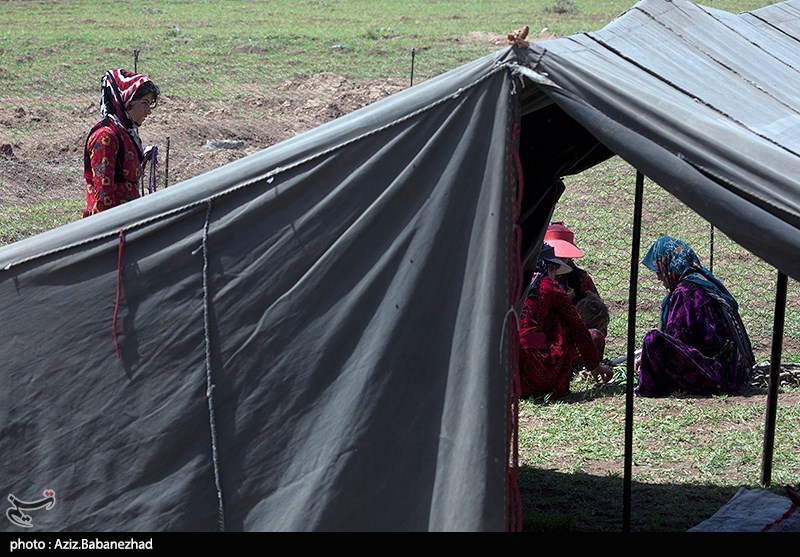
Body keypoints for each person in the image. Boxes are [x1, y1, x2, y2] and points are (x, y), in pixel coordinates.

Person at [634, 236, 755, 397]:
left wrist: (648, 359)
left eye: (659, 270)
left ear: (669, 265)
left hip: (715, 374)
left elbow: (678, 340)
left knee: (653, 339)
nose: (658, 277)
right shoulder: (703, 281)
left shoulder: (686, 292)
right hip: (731, 371)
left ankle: (650, 388)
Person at [518, 242, 613, 399]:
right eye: (554, 270)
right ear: (548, 268)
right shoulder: (548, 286)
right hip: (537, 372)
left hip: (508, 374)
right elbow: (578, 328)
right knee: (563, 322)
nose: (555, 276)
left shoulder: (514, 282)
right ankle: (557, 385)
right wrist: (594, 365)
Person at [83, 68, 160, 217]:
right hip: (113, 226)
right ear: (126, 101)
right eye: (144, 103)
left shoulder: (126, 134)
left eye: (150, 104)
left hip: (128, 221)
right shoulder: (106, 137)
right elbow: (102, 196)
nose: (148, 111)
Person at [545, 221, 608, 360]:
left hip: (574, 336)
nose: (560, 259)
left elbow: (600, 319)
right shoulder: (533, 276)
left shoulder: (580, 279)